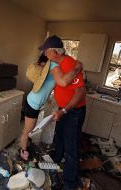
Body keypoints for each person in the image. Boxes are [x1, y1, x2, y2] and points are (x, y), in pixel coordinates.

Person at [39, 35, 86, 190]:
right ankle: (56, 159)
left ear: (55, 52)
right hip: (63, 109)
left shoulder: (69, 63)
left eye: (46, 51)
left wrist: (65, 110)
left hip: (73, 112)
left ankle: (69, 183)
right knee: (59, 136)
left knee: (71, 146)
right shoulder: (56, 63)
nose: (45, 54)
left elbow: (80, 93)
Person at [20, 52, 82, 161]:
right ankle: (23, 153)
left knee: (30, 130)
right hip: (32, 104)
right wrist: (77, 67)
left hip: (34, 101)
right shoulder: (53, 65)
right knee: (27, 132)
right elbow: (63, 82)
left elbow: (49, 86)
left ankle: (26, 146)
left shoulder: (50, 67)